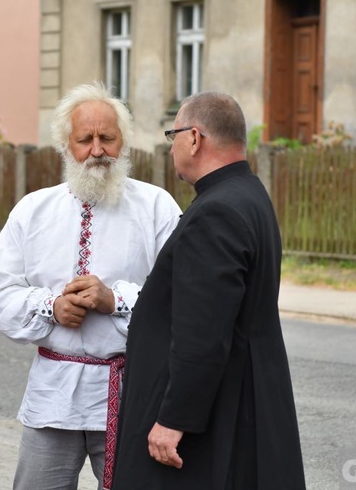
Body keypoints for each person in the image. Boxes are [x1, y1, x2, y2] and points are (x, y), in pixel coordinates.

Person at [0, 82, 181, 490]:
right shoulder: (33, 211)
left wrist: (116, 300)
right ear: (65, 145)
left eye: (107, 138)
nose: (97, 150)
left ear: (122, 142)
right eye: (85, 139)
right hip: (53, 395)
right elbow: (1, 295)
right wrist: (51, 306)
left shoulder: (157, 208)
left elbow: (180, 297)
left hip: (130, 395)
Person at [111, 92, 306, 489]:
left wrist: (172, 420)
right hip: (241, 399)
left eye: (173, 136)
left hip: (212, 421)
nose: (173, 147)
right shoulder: (249, 195)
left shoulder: (215, 211)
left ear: (195, 138)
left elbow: (202, 333)